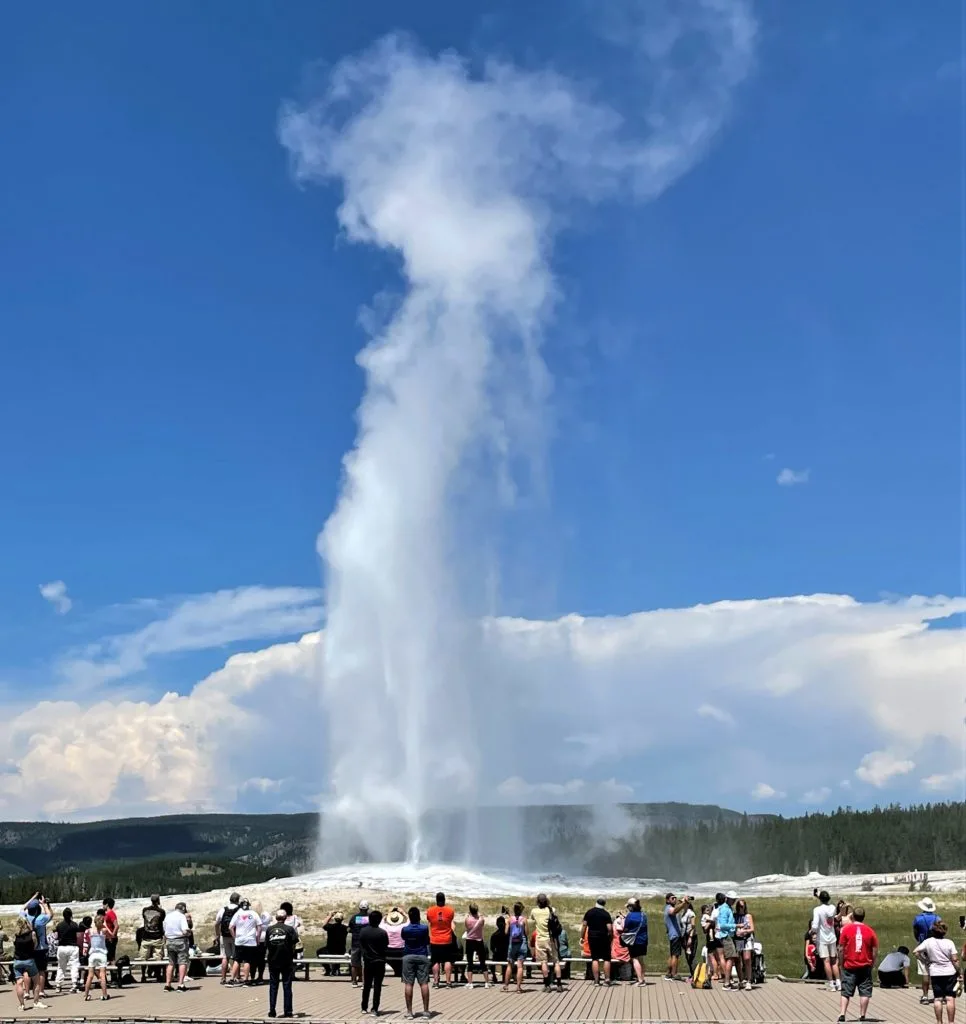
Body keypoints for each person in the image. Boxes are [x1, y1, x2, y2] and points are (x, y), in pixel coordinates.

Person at [837, 906, 878, 1024]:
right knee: (865, 990)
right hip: (865, 964)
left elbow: (841, 948)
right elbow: (874, 949)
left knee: (846, 990)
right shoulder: (870, 931)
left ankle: (842, 1014)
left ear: (853, 916)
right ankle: (862, 1015)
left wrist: (841, 962)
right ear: (863, 917)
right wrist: (873, 962)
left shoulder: (846, 930)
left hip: (849, 964)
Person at [915, 921, 961, 1024]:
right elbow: (955, 959)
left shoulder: (928, 942)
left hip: (935, 972)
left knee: (938, 998)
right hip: (950, 972)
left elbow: (916, 952)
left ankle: (939, 1021)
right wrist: (959, 971)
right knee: (950, 998)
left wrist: (926, 961)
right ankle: (951, 1022)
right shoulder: (949, 943)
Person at [265, 909, 298, 1019]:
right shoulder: (290, 929)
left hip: (273, 960)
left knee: (273, 986)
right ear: (285, 918)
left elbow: (267, 945)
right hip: (286, 961)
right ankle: (288, 1011)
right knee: (287, 986)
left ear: (276, 917)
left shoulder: (269, 930)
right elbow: (294, 944)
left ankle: (272, 1010)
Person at [401, 907, 432, 1019]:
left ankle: (409, 1012)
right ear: (419, 916)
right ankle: (426, 1011)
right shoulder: (424, 928)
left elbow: (403, 938)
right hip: (422, 955)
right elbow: (426, 940)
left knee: (408, 984)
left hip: (408, 956)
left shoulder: (405, 929)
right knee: (424, 983)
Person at [359, 908, 390, 1015]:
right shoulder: (382, 933)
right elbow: (386, 946)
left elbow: (361, 945)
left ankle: (364, 1007)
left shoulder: (363, 931)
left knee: (367, 985)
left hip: (368, 961)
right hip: (380, 961)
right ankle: (375, 1008)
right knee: (377, 986)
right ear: (380, 920)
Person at [530, 894, 563, 992]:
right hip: (551, 939)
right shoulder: (552, 910)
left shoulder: (534, 911)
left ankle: (547, 984)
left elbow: (532, 918)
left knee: (543, 962)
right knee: (556, 962)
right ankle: (559, 984)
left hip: (540, 939)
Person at [12, 917, 46, 1011]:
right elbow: (35, 945)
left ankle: (22, 1005)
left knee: (19, 983)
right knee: (36, 981)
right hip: (29, 960)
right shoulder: (32, 934)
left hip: (17, 961)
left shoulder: (16, 935)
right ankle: (36, 1002)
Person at [810, 889, 841, 991]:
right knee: (834, 961)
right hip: (832, 937)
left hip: (822, 938)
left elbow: (815, 925)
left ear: (820, 899)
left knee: (826, 961)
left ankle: (831, 984)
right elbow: (825, 903)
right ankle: (839, 983)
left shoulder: (817, 910)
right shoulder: (832, 908)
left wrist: (812, 931)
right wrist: (819, 895)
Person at [22, 894, 52, 994]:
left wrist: (32, 898)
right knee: (41, 971)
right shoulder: (41, 919)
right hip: (41, 947)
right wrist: (44, 904)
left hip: (28, 947)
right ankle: (41, 991)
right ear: (37, 910)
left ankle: (26, 992)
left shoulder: (25, 918)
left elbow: (23, 907)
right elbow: (50, 914)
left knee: (27, 971)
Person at [915, 897, 942, 1005]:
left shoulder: (918, 919)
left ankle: (925, 996)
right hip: (935, 946)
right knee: (937, 972)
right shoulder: (937, 918)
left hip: (923, 946)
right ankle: (939, 994)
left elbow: (916, 933)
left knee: (925, 973)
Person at [581, 897, 614, 986]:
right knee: (607, 958)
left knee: (594, 958)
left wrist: (582, 936)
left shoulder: (589, 912)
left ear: (596, 903)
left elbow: (584, 925)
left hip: (592, 937)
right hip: (603, 937)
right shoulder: (606, 914)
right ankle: (607, 979)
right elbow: (609, 928)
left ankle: (596, 981)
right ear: (604, 904)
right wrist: (611, 937)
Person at [426, 892, 455, 989]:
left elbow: (430, 921)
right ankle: (448, 982)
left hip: (435, 939)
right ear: (444, 899)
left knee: (435, 961)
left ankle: (436, 982)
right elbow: (450, 921)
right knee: (447, 960)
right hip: (447, 939)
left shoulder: (430, 911)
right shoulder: (450, 911)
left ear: (436, 900)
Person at [163, 900, 191, 992]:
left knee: (171, 963)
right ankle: (181, 984)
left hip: (169, 940)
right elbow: (184, 930)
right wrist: (189, 932)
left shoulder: (168, 916)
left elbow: (164, 929)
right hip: (180, 940)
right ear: (183, 909)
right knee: (182, 962)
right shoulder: (182, 916)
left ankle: (168, 984)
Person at [83, 911, 111, 1002]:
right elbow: (111, 936)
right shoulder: (104, 931)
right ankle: (104, 994)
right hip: (102, 954)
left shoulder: (89, 931)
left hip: (93, 954)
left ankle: (86, 995)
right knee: (102, 975)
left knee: (90, 976)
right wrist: (105, 925)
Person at [215, 893, 241, 985]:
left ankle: (223, 978)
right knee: (236, 957)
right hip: (235, 935)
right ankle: (236, 977)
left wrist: (218, 934)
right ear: (238, 900)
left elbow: (217, 923)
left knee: (225, 957)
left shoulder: (223, 909)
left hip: (224, 936)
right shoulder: (239, 910)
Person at [503, 903, 528, 993]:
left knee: (510, 965)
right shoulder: (524, 919)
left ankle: (506, 986)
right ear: (521, 910)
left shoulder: (510, 919)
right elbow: (526, 932)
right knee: (520, 966)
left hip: (512, 944)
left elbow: (506, 932)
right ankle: (518, 987)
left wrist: (507, 923)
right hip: (522, 944)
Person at [55, 908, 81, 993]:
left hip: (62, 947)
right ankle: (74, 984)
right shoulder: (75, 925)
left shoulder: (59, 925)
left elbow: (57, 937)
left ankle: (58, 985)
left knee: (61, 967)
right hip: (72, 946)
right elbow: (78, 936)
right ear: (71, 915)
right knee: (74, 966)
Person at [140, 894, 166, 982]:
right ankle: (158, 975)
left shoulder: (145, 910)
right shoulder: (161, 911)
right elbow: (161, 920)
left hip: (146, 937)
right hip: (157, 936)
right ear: (158, 900)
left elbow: (144, 918)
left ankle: (143, 975)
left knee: (143, 957)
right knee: (158, 957)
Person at [715, 892, 738, 989]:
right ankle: (727, 982)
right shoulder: (725, 909)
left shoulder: (728, 908)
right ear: (727, 898)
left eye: (734, 900)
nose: (733, 901)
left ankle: (727, 981)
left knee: (730, 958)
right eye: (732, 899)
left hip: (728, 935)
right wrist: (736, 925)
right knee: (730, 958)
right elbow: (723, 925)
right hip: (726, 935)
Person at [464, 903, 490, 989]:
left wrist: (467, 916)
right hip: (479, 940)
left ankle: (470, 983)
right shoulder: (481, 920)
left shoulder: (467, 919)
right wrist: (480, 916)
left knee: (470, 962)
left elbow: (467, 928)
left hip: (470, 940)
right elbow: (482, 925)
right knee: (483, 962)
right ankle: (486, 982)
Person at [623, 898, 648, 986]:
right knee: (641, 960)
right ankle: (642, 978)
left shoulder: (630, 915)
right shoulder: (643, 915)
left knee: (635, 959)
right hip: (643, 940)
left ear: (630, 907)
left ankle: (640, 980)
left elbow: (626, 928)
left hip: (634, 940)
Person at [663, 894, 687, 981]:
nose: (674, 899)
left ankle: (669, 973)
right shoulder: (669, 908)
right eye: (672, 898)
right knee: (675, 955)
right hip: (675, 935)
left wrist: (681, 903)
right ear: (667, 900)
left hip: (673, 934)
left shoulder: (670, 907)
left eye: (675, 898)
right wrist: (684, 903)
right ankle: (674, 973)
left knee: (672, 955)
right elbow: (674, 911)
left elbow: (676, 909)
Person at [734, 899, 756, 991]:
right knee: (738, 959)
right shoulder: (735, 916)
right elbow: (732, 925)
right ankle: (741, 980)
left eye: (742, 906)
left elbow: (752, 929)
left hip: (746, 938)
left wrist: (745, 931)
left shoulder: (748, 916)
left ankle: (749, 980)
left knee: (747, 958)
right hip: (737, 939)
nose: (740, 908)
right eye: (739, 906)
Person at [349, 902, 370, 988]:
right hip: (366, 944)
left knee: (354, 964)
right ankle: (364, 983)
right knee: (365, 964)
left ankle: (354, 981)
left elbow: (350, 928)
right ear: (367, 908)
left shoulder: (354, 917)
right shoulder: (369, 918)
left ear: (359, 908)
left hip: (355, 943)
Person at [382, 908, 407, 978]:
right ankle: (399, 972)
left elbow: (381, 923)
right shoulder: (403, 927)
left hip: (388, 950)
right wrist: (403, 913)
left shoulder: (385, 927)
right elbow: (410, 921)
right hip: (401, 950)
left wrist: (387, 914)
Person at [323, 911, 349, 976]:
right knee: (338, 951)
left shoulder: (330, 927)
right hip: (341, 950)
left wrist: (330, 916)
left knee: (319, 952)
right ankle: (336, 969)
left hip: (330, 949)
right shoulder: (345, 928)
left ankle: (328, 970)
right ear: (342, 919)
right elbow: (351, 929)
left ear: (335, 919)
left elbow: (324, 924)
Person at [611, 910, 631, 983]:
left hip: (616, 950)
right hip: (626, 951)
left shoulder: (615, 925)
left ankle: (614, 975)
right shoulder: (627, 927)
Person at [489, 915, 509, 987]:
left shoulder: (494, 935)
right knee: (506, 961)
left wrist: (495, 952)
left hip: (497, 955)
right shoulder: (507, 935)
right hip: (505, 954)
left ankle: (494, 976)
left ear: (497, 924)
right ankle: (504, 977)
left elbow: (492, 948)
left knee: (492, 962)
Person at [680, 897, 697, 974]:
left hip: (691, 936)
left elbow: (693, 926)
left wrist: (690, 938)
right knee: (687, 956)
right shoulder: (683, 912)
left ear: (687, 903)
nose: (681, 904)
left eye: (682, 902)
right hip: (685, 936)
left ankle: (695, 974)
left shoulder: (691, 913)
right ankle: (692, 974)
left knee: (691, 956)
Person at [101, 898, 119, 966]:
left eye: (103, 905)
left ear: (107, 905)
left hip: (110, 938)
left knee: (111, 957)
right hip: (107, 938)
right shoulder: (107, 914)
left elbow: (116, 926)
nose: (102, 906)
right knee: (108, 957)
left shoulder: (111, 913)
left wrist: (112, 936)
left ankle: (114, 974)